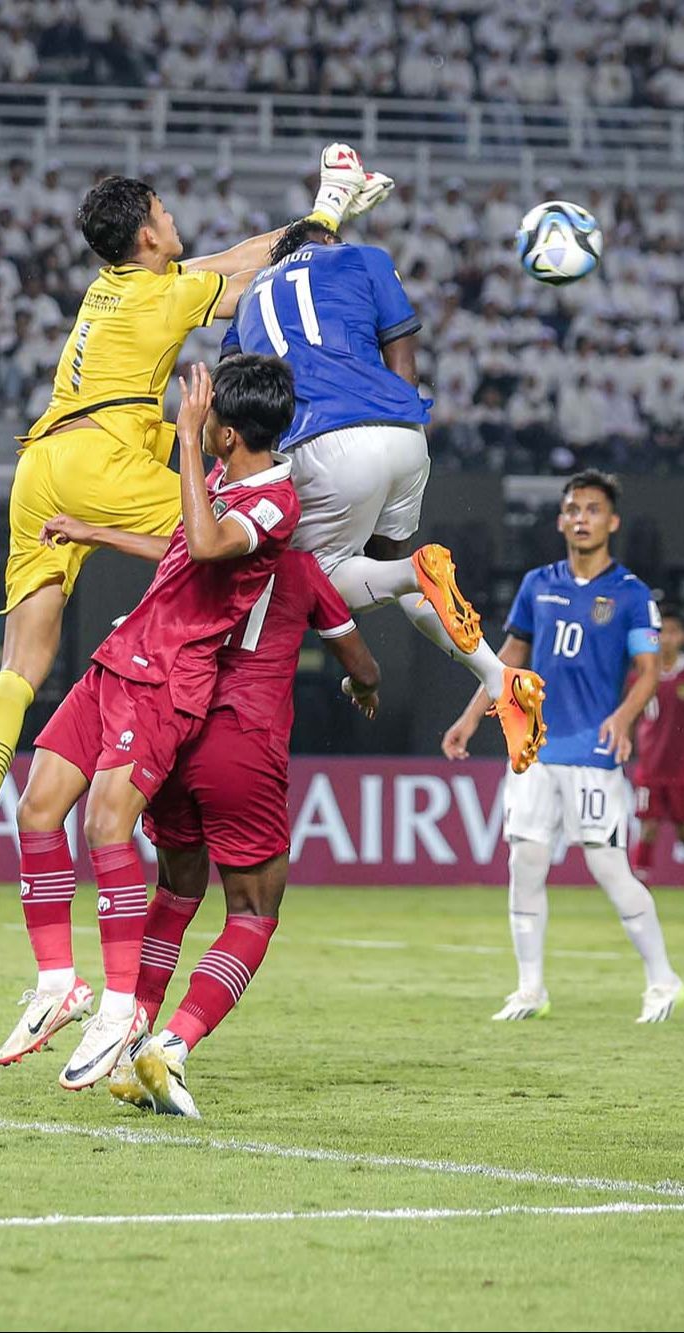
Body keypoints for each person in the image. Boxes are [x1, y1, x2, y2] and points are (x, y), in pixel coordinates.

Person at [0, 146, 383, 916]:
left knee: (22, 663)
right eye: (164, 213)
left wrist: (327, 210)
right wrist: (327, 208)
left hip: (40, 460)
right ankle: (344, 603)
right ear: (147, 236)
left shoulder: (113, 288)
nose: (175, 220)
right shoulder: (163, 299)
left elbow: (234, 255)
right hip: (103, 458)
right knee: (234, 534)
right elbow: (256, 270)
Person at [0, 355, 302, 1091]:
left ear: (226, 431)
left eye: (203, 411)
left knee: (105, 824)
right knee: (36, 805)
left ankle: (120, 1006)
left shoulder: (275, 503)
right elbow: (178, 548)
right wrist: (93, 531)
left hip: (169, 680)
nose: (188, 415)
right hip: (120, 655)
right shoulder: (225, 481)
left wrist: (189, 445)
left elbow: (201, 543)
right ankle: (58, 981)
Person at [220, 218, 546, 774]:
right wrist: (399, 421)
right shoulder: (365, 258)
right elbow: (402, 351)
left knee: (308, 581)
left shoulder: (250, 297)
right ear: (325, 241)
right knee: (388, 572)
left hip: (321, 439)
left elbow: (239, 391)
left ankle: (227, 715)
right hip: (401, 434)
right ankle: (497, 677)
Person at [442, 470, 682, 1024]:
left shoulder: (631, 595)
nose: (581, 518)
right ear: (559, 520)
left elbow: (648, 671)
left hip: (593, 754)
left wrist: (623, 719)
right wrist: (469, 717)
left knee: (609, 869)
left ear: (612, 521)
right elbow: (506, 661)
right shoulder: (536, 584)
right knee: (524, 863)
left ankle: (663, 979)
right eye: (573, 509)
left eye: (593, 510)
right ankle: (530, 990)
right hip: (533, 751)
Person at [631, 605, 684, 885]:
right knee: (647, 826)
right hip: (650, 768)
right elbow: (630, 713)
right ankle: (640, 883)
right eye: (661, 632)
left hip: (681, 769)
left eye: (673, 632)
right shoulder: (642, 673)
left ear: (681, 637)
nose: (666, 638)